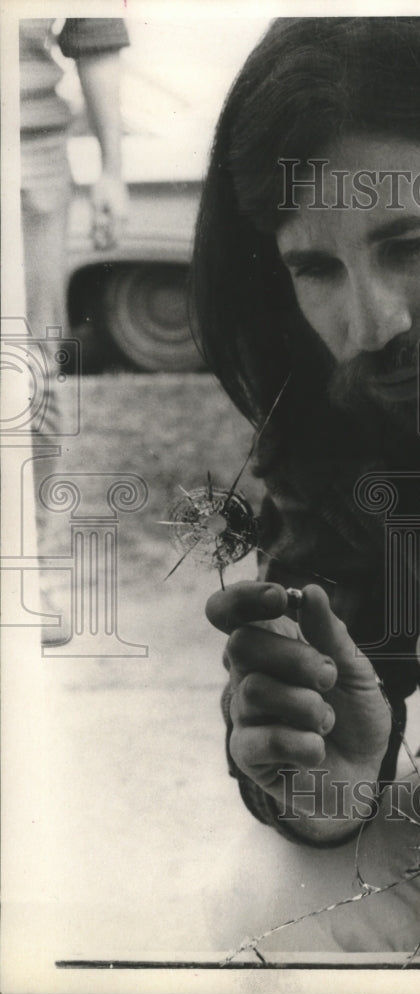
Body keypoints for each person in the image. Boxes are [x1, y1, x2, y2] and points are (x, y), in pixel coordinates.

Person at [193, 16, 420, 951]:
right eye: (316, 267)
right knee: (270, 909)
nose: (370, 324)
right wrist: (326, 781)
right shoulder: (351, 414)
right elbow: (345, 688)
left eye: (412, 244)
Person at [20, 18, 129, 643]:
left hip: (28, 154)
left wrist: (113, 168)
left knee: (31, 368)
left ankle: (39, 574)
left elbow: (95, 36)